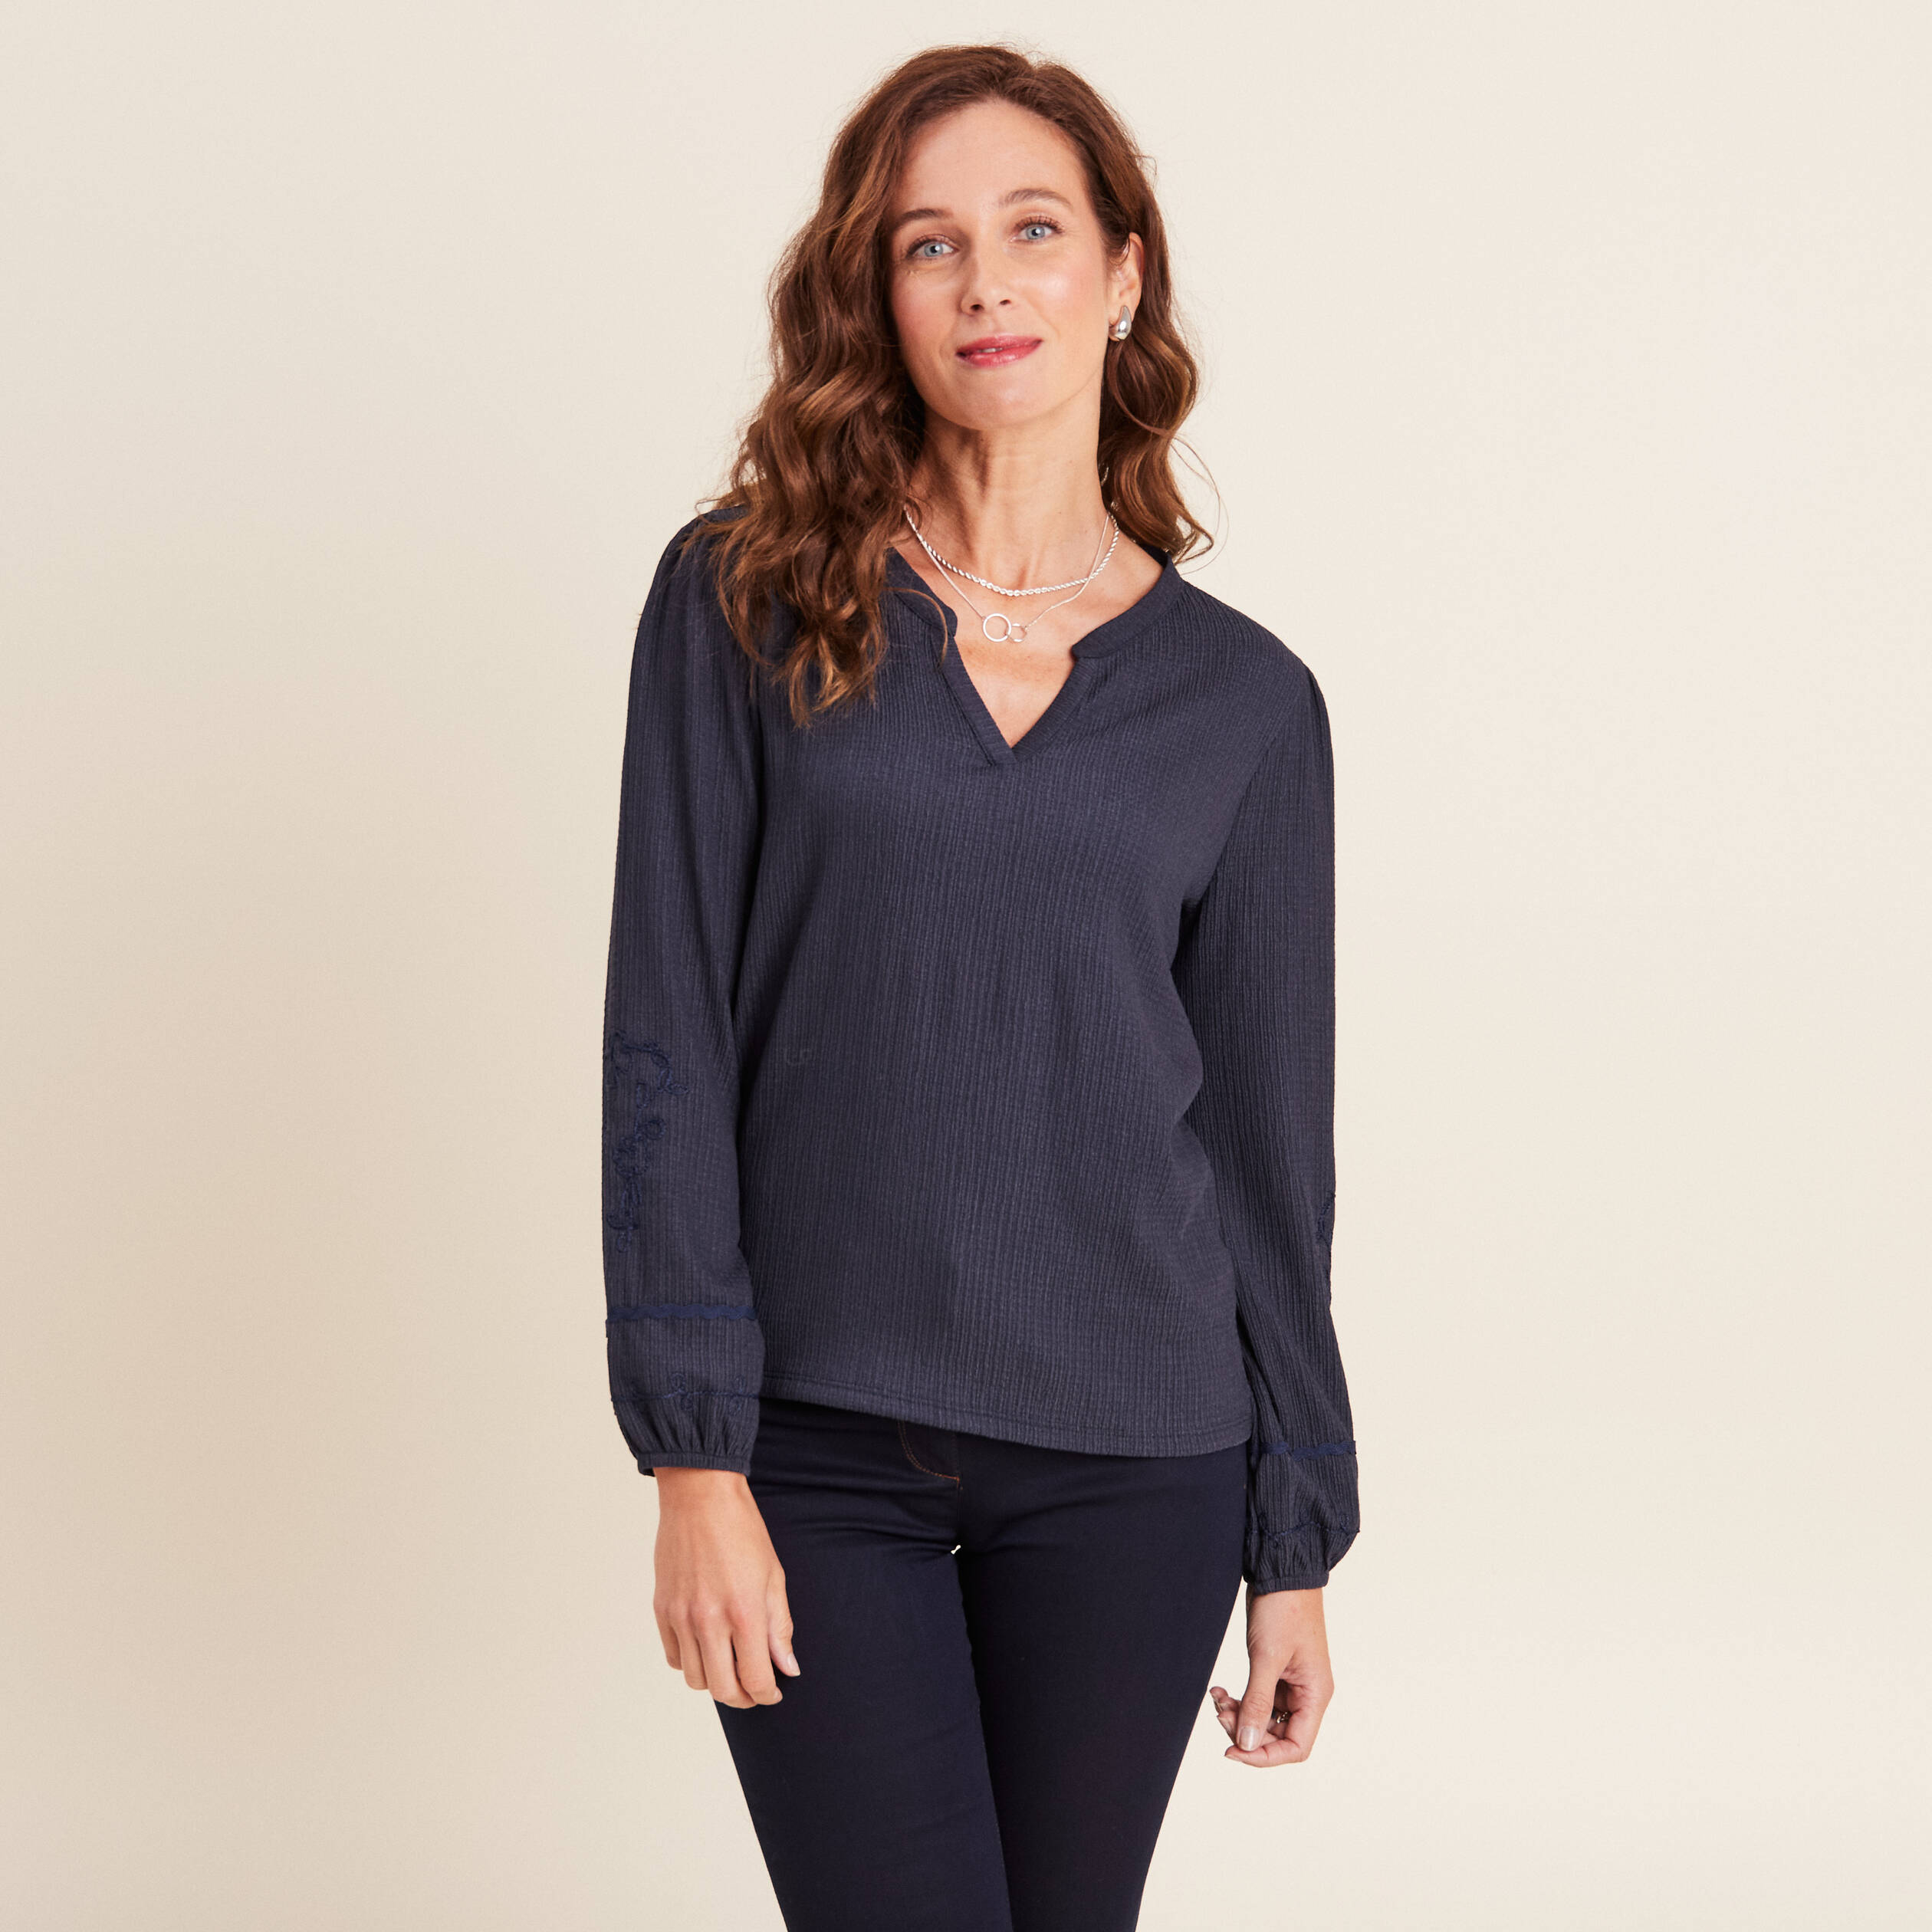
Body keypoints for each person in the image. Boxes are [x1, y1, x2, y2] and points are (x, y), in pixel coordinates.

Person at [601, 42, 1360, 1932]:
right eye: (929, 244)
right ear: (876, 294)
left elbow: (1269, 1156)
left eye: (1033, 230)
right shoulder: (744, 600)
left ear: (1122, 272)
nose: (986, 282)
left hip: (1140, 1457)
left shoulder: (1247, 706)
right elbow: (667, 1042)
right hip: (816, 1443)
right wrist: (693, 1457)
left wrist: (1294, 1538)